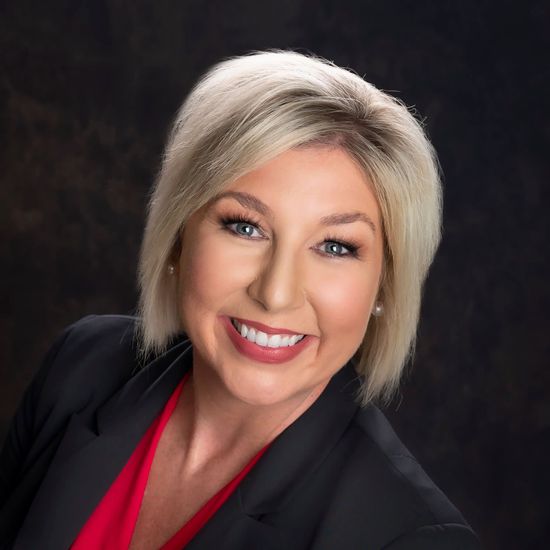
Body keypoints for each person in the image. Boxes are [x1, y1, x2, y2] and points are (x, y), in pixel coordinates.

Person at [0, 49, 481, 549]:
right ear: (179, 235)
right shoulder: (81, 366)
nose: (275, 293)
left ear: (385, 284)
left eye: (336, 246)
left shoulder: (414, 539)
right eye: (246, 227)